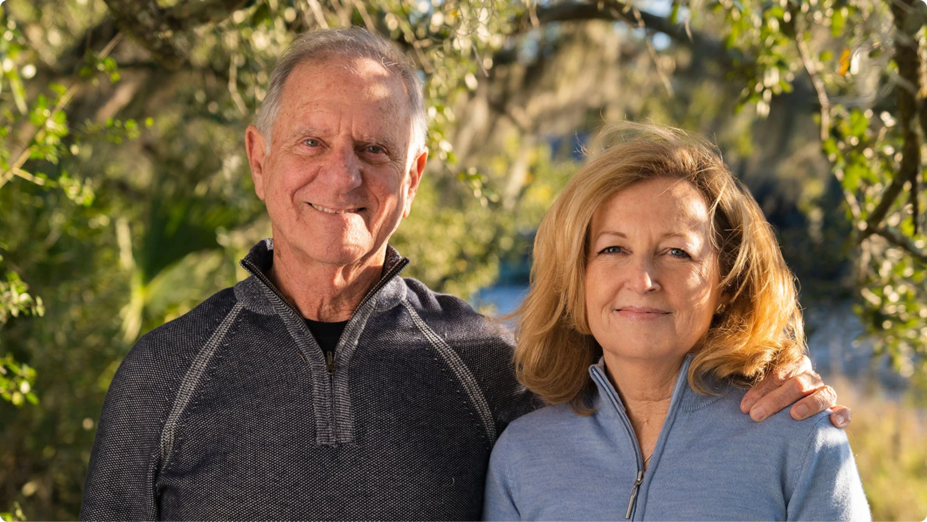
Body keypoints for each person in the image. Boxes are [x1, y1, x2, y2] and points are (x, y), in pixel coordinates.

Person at [80, 29, 848, 521]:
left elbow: (646, 391)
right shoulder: (164, 375)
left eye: (374, 151)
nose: (342, 176)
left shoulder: (484, 365)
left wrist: (784, 368)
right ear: (258, 158)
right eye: (310, 142)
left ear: (412, 176)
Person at [483, 123, 869, 521]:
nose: (643, 280)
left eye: (676, 252)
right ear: (576, 278)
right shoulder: (522, 457)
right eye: (613, 248)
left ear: (728, 284)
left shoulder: (801, 441)